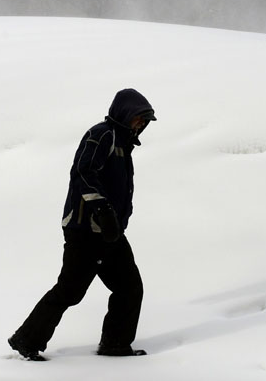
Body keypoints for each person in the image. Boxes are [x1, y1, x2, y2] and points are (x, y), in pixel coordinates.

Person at [8, 88, 157, 361]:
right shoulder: (101, 135)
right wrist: (102, 209)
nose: (141, 124)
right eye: (138, 118)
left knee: (129, 287)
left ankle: (115, 344)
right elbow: (83, 172)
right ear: (124, 114)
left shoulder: (123, 143)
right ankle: (26, 340)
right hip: (85, 230)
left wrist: (116, 218)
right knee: (70, 290)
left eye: (144, 120)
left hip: (110, 232)